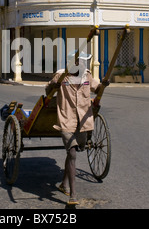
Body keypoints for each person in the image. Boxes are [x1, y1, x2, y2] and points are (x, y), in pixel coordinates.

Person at [45, 50, 109, 205]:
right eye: (80, 61)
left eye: (84, 61)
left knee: (74, 152)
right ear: (72, 62)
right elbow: (48, 91)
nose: (83, 64)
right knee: (72, 153)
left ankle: (63, 184)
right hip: (66, 119)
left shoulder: (86, 76)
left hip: (83, 121)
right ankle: (73, 196)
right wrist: (54, 85)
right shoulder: (61, 76)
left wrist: (103, 85)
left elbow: (97, 88)